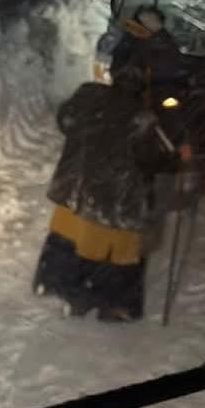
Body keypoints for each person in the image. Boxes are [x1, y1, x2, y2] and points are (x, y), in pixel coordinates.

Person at [33, 62, 185, 321]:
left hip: (77, 190)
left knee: (70, 239)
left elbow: (65, 120)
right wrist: (177, 160)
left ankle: (60, 288)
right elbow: (153, 159)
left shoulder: (88, 97)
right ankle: (115, 306)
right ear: (142, 88)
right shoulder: (142, 118)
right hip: (118, 201)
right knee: (119, 251)